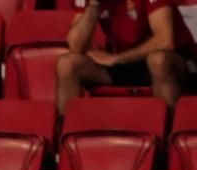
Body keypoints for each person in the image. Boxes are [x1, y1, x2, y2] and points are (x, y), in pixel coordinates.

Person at [56, 0, 195, 112]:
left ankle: (168, 136)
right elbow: (76, 47)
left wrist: (117, 58)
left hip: (177, 61)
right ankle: (68, 136)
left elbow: (165, 40)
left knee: (158, 60)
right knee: (67, 64)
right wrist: (93, 6)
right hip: (125, 62)